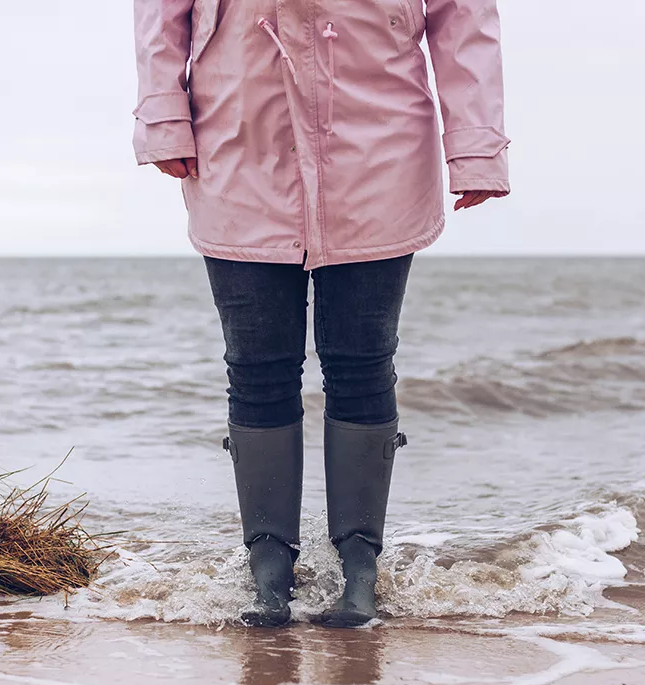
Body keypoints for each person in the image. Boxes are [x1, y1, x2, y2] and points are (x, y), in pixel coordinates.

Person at [133, 0, 509, 627]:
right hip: (238, 136)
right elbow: (159, 15)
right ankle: (268, 574)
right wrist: (165, 119)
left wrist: (475, 147)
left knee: (363, 364)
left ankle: (360, 571)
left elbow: (464, 18)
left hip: (377, 142)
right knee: (256, 368)